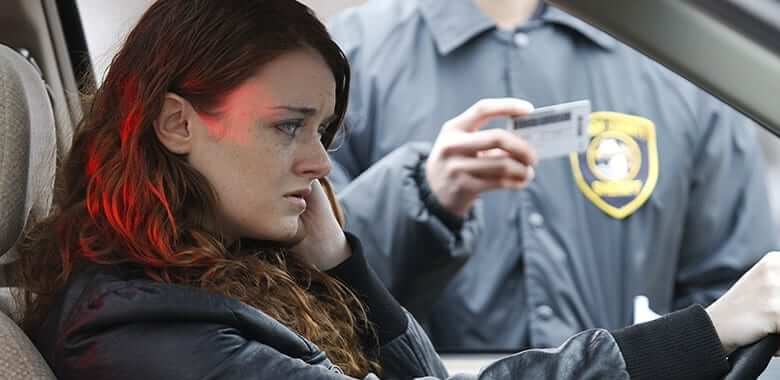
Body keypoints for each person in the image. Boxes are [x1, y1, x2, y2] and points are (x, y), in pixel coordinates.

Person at [10, 1, 780, 379]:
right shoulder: (157, 332)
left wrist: (344, 267)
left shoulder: (184, 291)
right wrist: (706, 332)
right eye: (288, 126)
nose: (321, 163)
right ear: (179, 123)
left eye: (324, 131)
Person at [327, 0, 778, 350]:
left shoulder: (680, 56)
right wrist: (423, 199)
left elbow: (740, 295)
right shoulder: (353, 56)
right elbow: (313, 290)